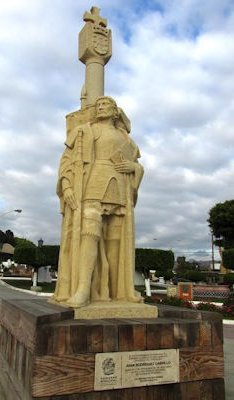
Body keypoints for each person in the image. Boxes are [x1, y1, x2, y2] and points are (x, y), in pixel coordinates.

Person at [51, 96, 144, 308]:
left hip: (119, 189)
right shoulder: (85, 130)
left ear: (115, 111)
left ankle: (113, 291)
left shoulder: (126, 139)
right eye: (99, 104)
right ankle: (83, 289)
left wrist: (134, 168)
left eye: (106, 105)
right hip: (92, 183)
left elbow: (138, 165)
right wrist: (67, 187)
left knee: (115, 240)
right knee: (89, 234)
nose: (100, 107)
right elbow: (66, 161)